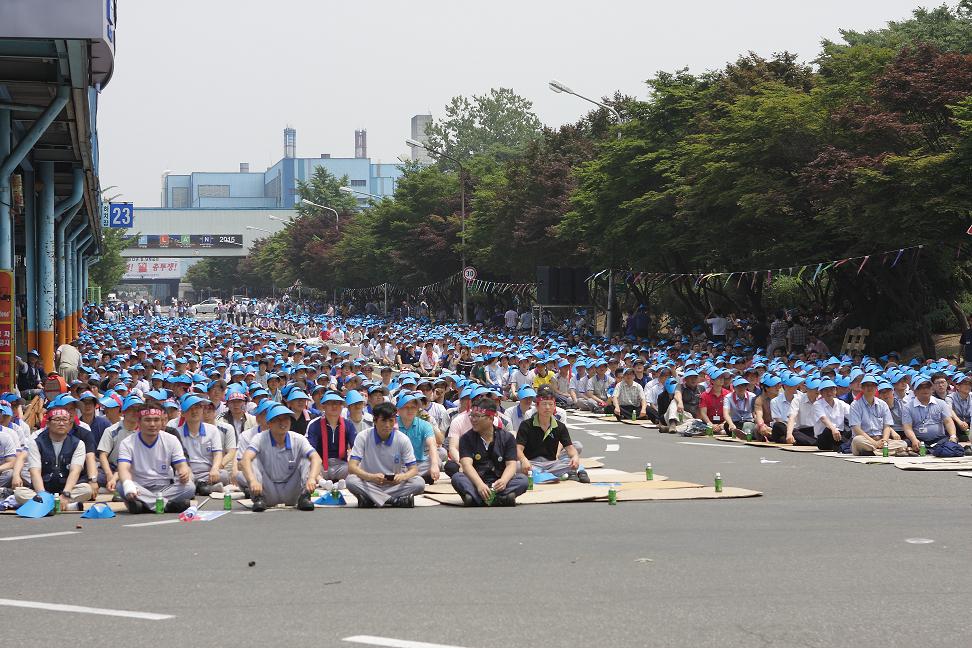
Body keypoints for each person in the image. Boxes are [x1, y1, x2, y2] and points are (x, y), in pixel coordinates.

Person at [238, 404, 320, 512]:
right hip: (267, 489)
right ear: (269, 423)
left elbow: (316, 458)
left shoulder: (298, 438)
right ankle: (258, 498)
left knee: (307, 458)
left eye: (286, 419)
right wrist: (252, 481)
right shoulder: (259, 438)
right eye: (277, 420)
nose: (282, 423)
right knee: (252, 459)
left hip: (292, 489)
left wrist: (312, 478)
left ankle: (305, 496)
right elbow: (245, 459)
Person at [115, 406, 195, 514]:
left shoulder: (171, 440)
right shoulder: (127, 443)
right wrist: (128, 484)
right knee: (122, 485)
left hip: (165, 488)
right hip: (140, 487)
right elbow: (123, 469)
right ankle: (167, 505)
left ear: (162, 422)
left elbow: (181, 465)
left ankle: (145, 505)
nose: (152, 424)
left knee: (189, 487)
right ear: (139, 422)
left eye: (156, 420)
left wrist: (184, 472)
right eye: (147, 420)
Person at [451, 396, 528, 507]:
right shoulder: (466, 438)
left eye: (477, 416)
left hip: (498, 481)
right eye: (472, 415)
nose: (473, 419)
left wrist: (504, 481)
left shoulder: (507, 438)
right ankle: (502, 499)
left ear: (491, 418)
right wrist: (479, 485)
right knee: (457, 478)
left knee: (523, 480)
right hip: (476, 480)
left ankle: (476, 499)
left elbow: (511, 464)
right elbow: (466, 465)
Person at [346, 402, 425, 508]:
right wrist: (370, 477)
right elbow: (352, 467)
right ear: (375, 421)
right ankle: (393, 500)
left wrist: (402, 477)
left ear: (395, 421)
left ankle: (371, 498)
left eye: (391, 421)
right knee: (351, 481)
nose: (387, 425)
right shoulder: (363, 437)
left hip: (394, 484)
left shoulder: (402, 439)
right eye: (383, 420)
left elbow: (414, 469)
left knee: (419, 483)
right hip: (370, 482)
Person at [13, 407, 93, 510]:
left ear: (70, 424)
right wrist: (42, 495)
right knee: (19, 493)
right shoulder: (36, 443)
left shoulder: (78, 444)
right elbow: (35, 472)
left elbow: (75, 471)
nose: (61, 423)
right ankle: (65, 507)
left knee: (87, 489)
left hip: (66, 489)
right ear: (48, 423)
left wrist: (66, 493)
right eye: (57, 419)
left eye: (65, 420)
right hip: (42, 489)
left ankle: (46, 507)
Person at [516, 386, 589, 482]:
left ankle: (544, 475)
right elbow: (518, 449)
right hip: (532, 462)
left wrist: (575, 457)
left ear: (554, 406)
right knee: (516, 465)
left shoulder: (560, 426)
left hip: (552, 463)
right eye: (544, 404)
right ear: (537, 406)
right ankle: (554, 474)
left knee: (571, 463)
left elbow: (570, 448)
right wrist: (523, 460)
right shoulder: (526, 425)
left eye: (550, 404)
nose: (547, 407)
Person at [175, 395, 225, 495]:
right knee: (182, 479)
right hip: (188, 471)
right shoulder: (176, 433)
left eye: (198, 407)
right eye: (190, 409)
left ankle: (199, 487)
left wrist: (215, 469)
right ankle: (204, 488)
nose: (194, 411)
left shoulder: (212, 430)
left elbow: (218, 454)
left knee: (224, 475)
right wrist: (186, 470)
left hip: (207, 473)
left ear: (202, 410)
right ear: (183, 413)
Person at [848, 376, 908, 456]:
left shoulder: (882, 404)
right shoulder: (855, 405)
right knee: (857, 441)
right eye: (867, 385)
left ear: (876, 388)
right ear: (862, 387)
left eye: (873, 385)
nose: (870, 388)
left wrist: (885, 440)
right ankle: (885, 451)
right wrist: (874, 443)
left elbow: (887, 426)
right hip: (866, 439)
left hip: (880, 439)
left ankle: (872, 452)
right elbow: (856, 429)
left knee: (903, 444)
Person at [306, 392, 357, 481]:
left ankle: (341, 483)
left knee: (356, 469)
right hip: (321, 464)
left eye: (338, 403)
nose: (334, 406)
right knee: (306, 466)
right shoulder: (314, 424)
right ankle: (322, 482)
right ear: (323, 406)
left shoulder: (348, 424)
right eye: (330, 403)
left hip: (342, 465)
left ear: (342, 406)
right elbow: (310, 449)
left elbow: (356, 447)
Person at [902, 375, 957, 451]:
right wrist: (914, 439)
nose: (925, 390)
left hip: (939, 439)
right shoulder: (908, 407)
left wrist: (953, 436)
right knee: (904, 444)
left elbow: (948, 421)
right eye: (921, 388)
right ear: (915, 391)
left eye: (928, 387)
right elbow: (907, 427)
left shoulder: (941, 403)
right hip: (918, 439)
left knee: (950, 444)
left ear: (932, 389)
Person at [395, 391, 439, 484]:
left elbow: (432, 444)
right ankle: (414, 477)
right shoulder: (392, 423)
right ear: (399, 410)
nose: (410, 410)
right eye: (406, 407)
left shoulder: (425, 424)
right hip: (397, 463)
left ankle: (409, 477)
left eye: (413, 407)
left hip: (418, 463)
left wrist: (434, 465)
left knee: (437, 460)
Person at [812, 379, 849, 451]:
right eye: (826, 390)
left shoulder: (841, 403)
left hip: (839, 434)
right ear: (821, 393)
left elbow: (852, 415)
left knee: (852, 429)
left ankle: (845, 445)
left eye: (831, 390)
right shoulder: (817, 404)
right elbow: (823, 419)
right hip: (824, 437)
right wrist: (833, 429)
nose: (829, 393)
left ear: (835, 391)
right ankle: (846, 445)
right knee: (828, 430)